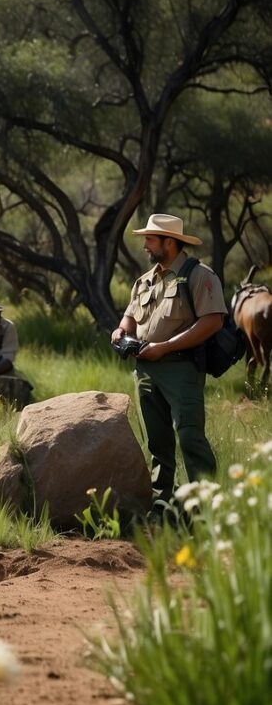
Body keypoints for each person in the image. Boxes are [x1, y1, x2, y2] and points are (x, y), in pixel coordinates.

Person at [111, 213, 226, 513]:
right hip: (145, 371)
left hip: (181, 370)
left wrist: (165, 347)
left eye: (150, 239)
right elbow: (131, 317)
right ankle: (164, 506)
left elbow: (213, 321)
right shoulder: (144, 281)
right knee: (157, 444)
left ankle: (205, 510)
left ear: (169, 242)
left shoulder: (199, 275)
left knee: (190, 437)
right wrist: (121, 331)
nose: (145, 245)